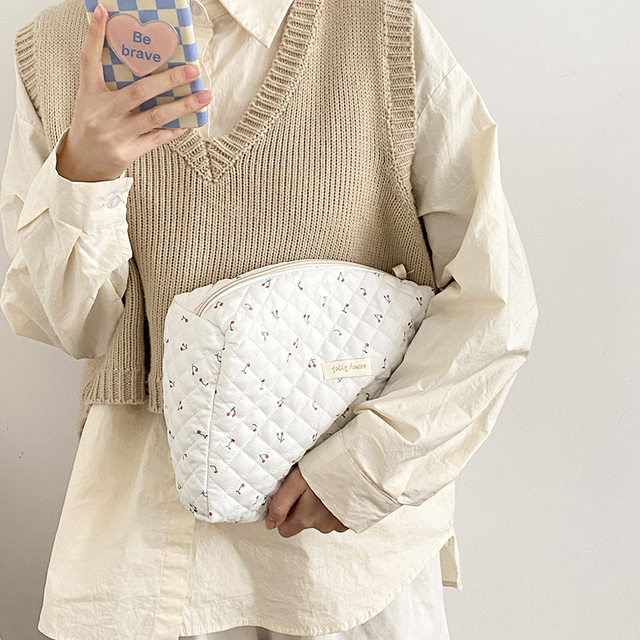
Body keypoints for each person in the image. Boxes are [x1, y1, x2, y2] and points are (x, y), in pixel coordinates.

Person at [0, 0, 539, 638]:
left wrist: (366, 467)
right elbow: (62, 324)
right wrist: (84, 173)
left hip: (343, 560)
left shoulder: (377, 28)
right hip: (148, 548)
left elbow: (492, 296)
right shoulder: (59, 46)